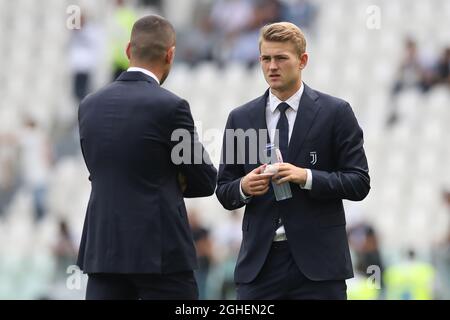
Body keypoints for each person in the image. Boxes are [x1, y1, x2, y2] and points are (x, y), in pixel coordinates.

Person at [216, 22, 370, 299]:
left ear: (302, 61)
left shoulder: (336, 113)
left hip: (319, 269)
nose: (272, 66)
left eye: (281, 58)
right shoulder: (241, 118)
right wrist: (244, 186)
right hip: (259, 268)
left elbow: (359, 182)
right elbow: (225, 190)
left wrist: (306, 177)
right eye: (266, 58)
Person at [77, 15, 217, 300]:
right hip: (160, 255)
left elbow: (101, 171)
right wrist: (171, 175)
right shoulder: (171, 107)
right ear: (170, 54)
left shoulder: (88, 105)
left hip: (104, 251)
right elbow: (204, 180)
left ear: (129, 50)